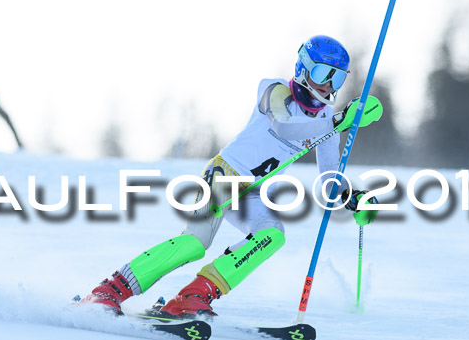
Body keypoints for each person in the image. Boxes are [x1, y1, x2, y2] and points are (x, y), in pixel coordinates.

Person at [81, 35, 377, 318]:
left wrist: (355, 199)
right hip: (224, 175)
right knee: (195, 244)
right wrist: (339, 121)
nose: (327, 85)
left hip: (254, 193)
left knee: (271, 236)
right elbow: (285, 126)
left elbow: (330, 179)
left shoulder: (327, 120)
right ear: (303, 68)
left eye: (336, 78)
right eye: (323, 73)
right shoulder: (274, 90)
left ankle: (193, 296)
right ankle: (109, 290)